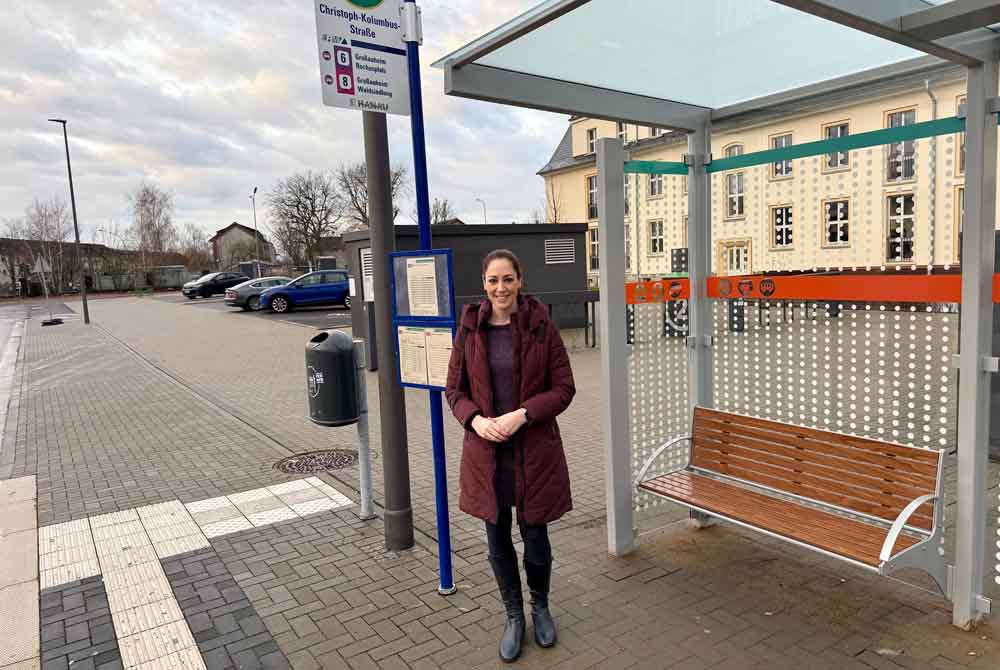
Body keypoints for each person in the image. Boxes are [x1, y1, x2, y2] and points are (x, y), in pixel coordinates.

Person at [445, 249, 576, 663]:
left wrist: (523, 415)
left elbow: (564, 388)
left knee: (535, 535)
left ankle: (540, 607)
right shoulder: (469, 329)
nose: (500, 288)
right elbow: (454, 391)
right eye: (492, 280)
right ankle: (513, 615)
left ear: (520, 280)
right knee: (497, 537)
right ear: (483, 285)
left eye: (507, 279)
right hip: (488, 453)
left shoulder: (542, 326)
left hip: (533, 450)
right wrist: (475, 421)